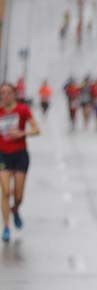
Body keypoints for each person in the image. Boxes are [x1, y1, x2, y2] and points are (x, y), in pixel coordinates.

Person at [0, 82, 41, 243]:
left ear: (14, 94)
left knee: (18, 195)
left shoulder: (22, 110)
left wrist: (22, 133)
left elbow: (37, 130)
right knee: (5, 192)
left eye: (8, 93)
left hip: (20, 155)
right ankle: (6, 227)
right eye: (2, 93)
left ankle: (15, 209)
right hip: (2, 155)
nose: (5, 96)